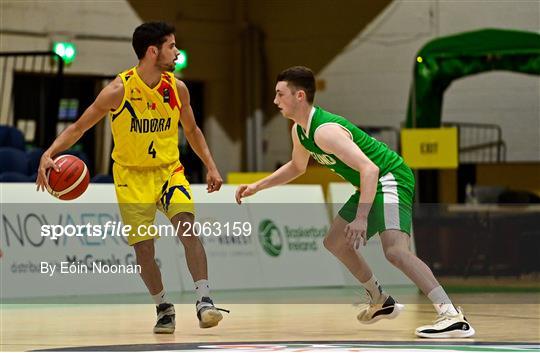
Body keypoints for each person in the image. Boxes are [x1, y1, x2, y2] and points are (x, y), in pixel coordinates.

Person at [235, 66, 475, 338]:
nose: (276, 101)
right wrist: (258, 186)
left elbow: (370, 169)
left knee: (395, 251)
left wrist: (361, 217)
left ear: (299, 96)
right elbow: (297, 166)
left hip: (390, 177)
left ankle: (451, 315)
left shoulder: (325, 131)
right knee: (335, 241)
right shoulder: (300, 132)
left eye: (280, 94)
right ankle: (379, 299)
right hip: (369, 183)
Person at [36, 21, 228, 334]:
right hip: (131, 177)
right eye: (171, 46)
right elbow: (78, 127)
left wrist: (211, 165)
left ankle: (204, 300)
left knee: (187, 229)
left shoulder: (177, 88)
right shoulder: (118, 90)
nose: (177, 52)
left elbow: (192, 130)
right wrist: (49, 152)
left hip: (169, 171)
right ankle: (163, 307)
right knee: (144, 252)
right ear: (153, 51)